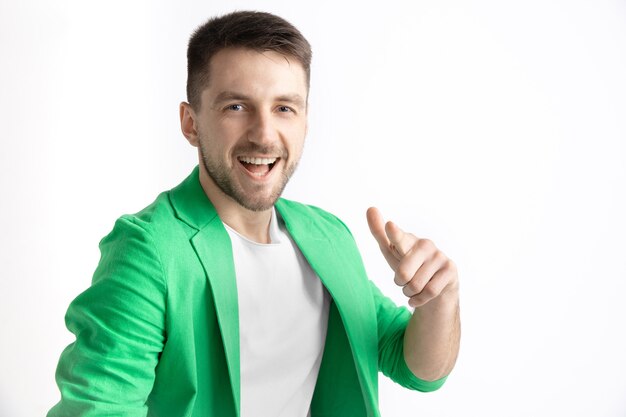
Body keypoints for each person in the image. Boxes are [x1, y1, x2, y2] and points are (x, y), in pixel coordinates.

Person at [48, 10, 460, 417]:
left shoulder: (327, 236)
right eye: (236, 107)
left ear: (305, 120)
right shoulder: (148, 251)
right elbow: (97, 408)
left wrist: (439, 301)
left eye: (284, 108)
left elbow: (414, 366)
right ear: (191, 123)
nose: (264, 135)